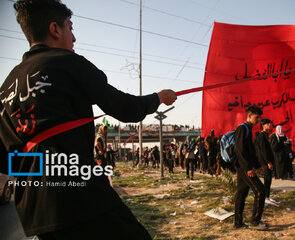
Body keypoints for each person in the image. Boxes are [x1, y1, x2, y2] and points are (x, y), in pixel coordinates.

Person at [0, 1, 177, 239]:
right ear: (55, 29)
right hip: (80, 193)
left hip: (34, 211)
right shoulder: (68, 63)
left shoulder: (6, 86)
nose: (74, 38)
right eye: (70, 28)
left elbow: (5, 159)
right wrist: (157, 98)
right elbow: (125, 108)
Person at [233, 105, 267, 230]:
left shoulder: (248, 128)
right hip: (243, 167)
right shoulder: (242, 128)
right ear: (249, 116)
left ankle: (238, 223)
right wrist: (248, 168)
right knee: (260, 190)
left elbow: (250, 151)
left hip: (244, 166)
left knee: (241, 194)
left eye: (259, 118)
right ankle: (255, 222)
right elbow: (240, 151)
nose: (258, 120)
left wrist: (258, 166)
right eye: (256, 117)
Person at [254, 119, 276, 205]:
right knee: (267, 180)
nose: (270, 125)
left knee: (269, 179)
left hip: (267, 161)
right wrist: (268, 162)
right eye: (267, 124)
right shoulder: (262, 136)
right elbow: (263, 151)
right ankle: (265, 197)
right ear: (263, 125)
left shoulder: (266, 135)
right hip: (265, 162)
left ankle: (267, 196)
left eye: (270, 123)